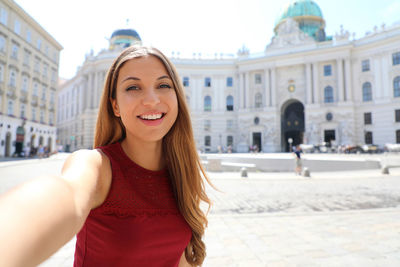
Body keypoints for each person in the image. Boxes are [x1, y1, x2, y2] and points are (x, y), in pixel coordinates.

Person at [0, 46, 212, 267]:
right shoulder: (95, 166)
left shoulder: (182, 174)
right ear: (115, 106)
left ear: (177, 97)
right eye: (133, 87)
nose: (151, 99)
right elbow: (64, 196)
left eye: (163, 85)